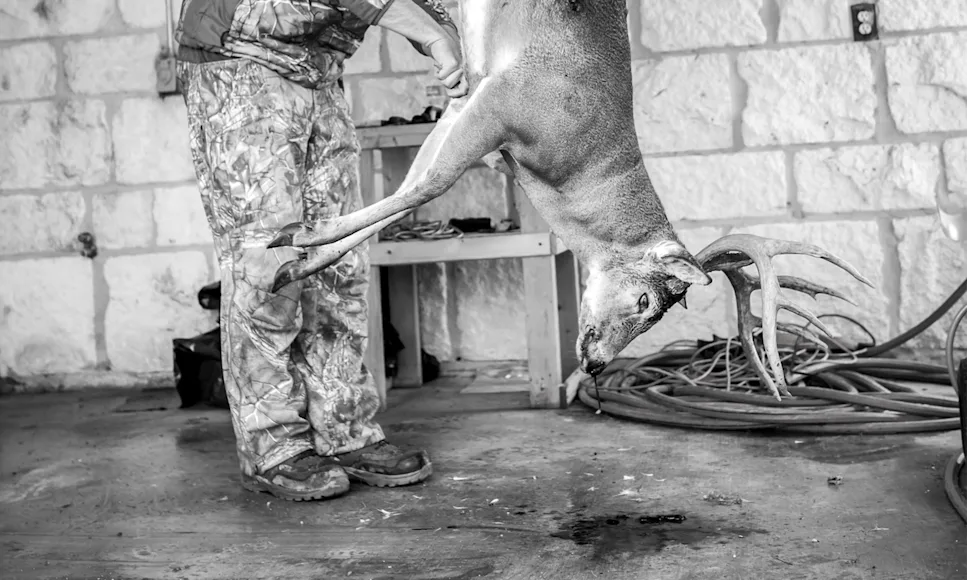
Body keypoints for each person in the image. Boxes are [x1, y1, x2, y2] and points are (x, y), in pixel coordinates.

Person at [173, 0, 468, 502]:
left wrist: (447, 34)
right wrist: (437, 39)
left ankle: (344, 432)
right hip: (240, 62)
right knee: (270, 265)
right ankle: (274, 447)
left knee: (339, 266)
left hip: (316, 71)